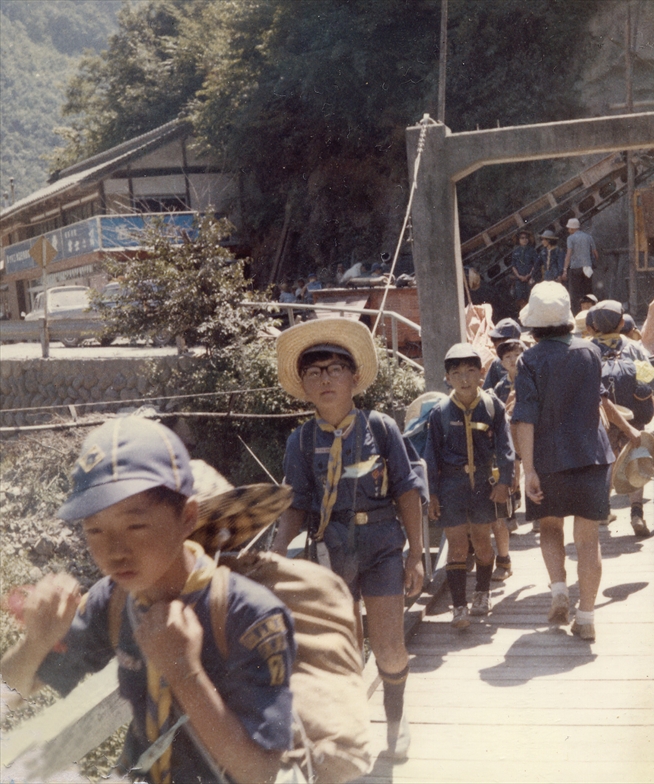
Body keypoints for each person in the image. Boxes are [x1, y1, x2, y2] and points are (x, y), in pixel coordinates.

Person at [0, 417, 296, 783]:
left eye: (135, 526)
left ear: (187, 517)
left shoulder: (248, 615)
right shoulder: (113, 600)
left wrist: (185, 674)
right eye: (94, 530)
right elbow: (13, 691)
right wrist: (35, 643)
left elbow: (260, 771)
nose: (114, 551)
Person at [272, 318, 424, 761]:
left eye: (334, 368)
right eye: (313, 371)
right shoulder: (300, 442)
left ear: (354, 377)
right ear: (303, 385)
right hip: (329, 549)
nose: (325, 378)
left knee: (390, 646)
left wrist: (416, 554)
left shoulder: (380, 428)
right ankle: (351, 729)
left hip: (380, 545)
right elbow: (296, 505)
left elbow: (407, 490)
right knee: (343, 650)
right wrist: (277, 554)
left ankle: (396, 720)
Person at [512, 282, 640, 642]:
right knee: (588, 540)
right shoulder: (589, 352)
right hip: (592, 456)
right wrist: (630, 431)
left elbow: (525, 416)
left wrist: (529, 469)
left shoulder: (529, 360)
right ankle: (586, 617)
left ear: (534, 325)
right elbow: (602, 401)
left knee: (551, 528)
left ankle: (558, 592)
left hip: (549, 459)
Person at [424, 343, 514, 629]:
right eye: (457, 373)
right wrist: (433, 493)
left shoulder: (492, 406)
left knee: (482, 542)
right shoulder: (439, 413)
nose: (464, 379)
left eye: (470, 372)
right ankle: (459, 606)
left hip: (484, 486)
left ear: (481, 373)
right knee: (457, 545)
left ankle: (483, 593)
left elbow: (506, 447)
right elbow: (430, 456)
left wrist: (504, 481)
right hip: (452, 485)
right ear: (447, 378)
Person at [585, 300, 654, 537]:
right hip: (633, 416)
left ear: (592, 326)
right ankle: (636, 512)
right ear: (622, 323)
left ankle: (603, 510)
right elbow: (652, 374)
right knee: (636, 458)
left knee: (606, 462)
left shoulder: (588, 349)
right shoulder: (632, 347)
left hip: (602, 418)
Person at [491, 338, 525, 580]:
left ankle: (526, 506)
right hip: (510, 434)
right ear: (502, 363)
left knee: (526, 469)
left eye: (516, 355)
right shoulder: (500, 387)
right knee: (514, 471)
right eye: (508, 357)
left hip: (529, 432)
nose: (513, 360)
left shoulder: (531, 380)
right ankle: (512, 511)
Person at [561, 218, 599, 315]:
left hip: (575, 268)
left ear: (572, 228)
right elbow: (595, 253)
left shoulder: (570, 238)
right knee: (588, 292)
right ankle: (590, 313)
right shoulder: (588, 237)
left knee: (575, 294)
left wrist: (565, 269)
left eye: (569, 228)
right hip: (588, 268)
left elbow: (569, 254)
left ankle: (577, 314)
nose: (568, 230)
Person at [482, 317, 523, 391]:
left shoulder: (527, 359)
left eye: (499, 340)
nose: (495, 345)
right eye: (495, 341)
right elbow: (487, 389)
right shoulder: (497, 363)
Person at [510, 231, 536, 310]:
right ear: (519, 240)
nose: (524, 240)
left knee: (531, 298)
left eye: (526, 238)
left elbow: (535, 264)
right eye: (522, 238)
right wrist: (518, 276)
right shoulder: (515, 252)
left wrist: (529, 275)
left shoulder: (532, 251)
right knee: (520, 299)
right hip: (519, 279)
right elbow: (513, 266)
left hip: (529, 279)